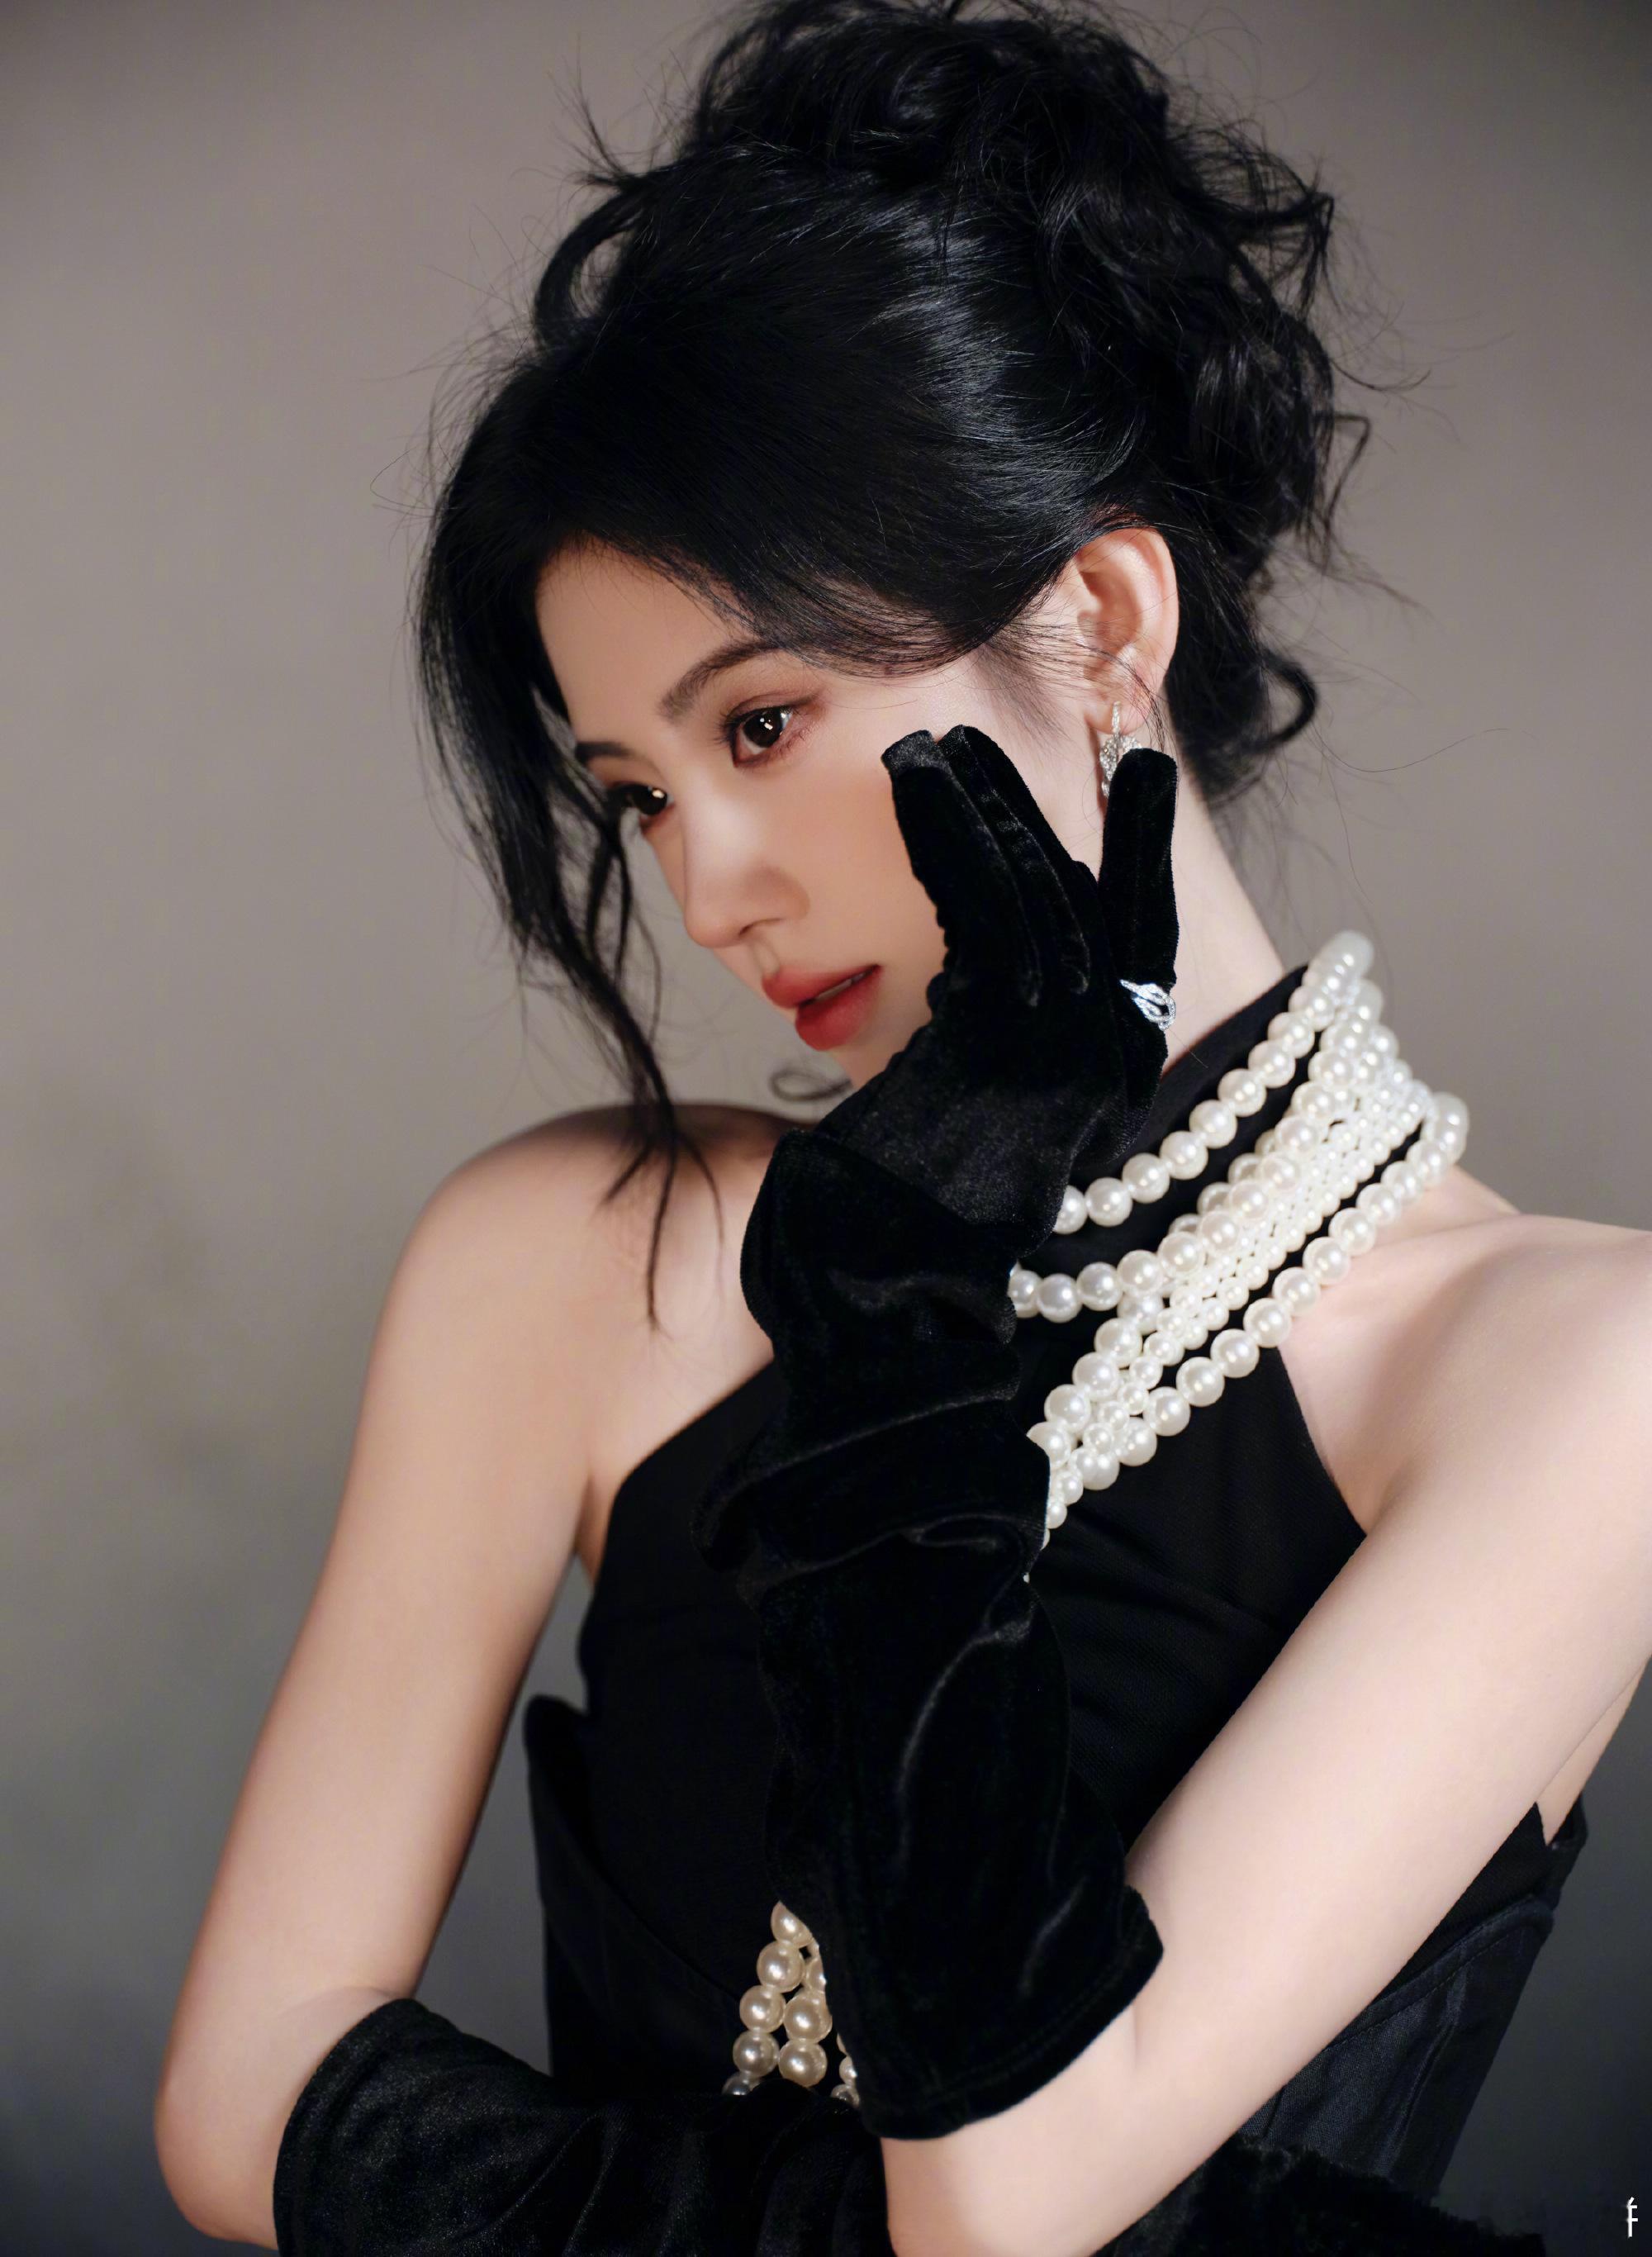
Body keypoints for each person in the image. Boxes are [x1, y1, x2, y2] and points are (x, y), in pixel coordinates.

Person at [154, 1, 1650, 2250]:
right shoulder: (582, 1255)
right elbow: (240, 2096)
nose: (707, 892)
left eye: (763, 724)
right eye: (639, 794)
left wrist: (911, 1335)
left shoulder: (1573, 1371)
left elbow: (1007, 2196)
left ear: (1103, 621)